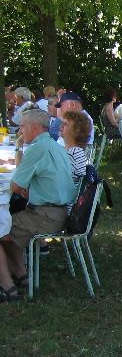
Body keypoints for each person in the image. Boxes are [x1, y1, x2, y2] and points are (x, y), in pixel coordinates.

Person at [0, 109, 75, 301]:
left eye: (22, 127)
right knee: (5, 227)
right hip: (59, 212)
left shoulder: (37, 149)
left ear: (34, 127)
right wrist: (25, 186)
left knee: (2, 229)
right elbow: (21, 183)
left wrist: (22, 187)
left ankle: (7, 287)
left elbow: (15, 185)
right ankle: (21, 276)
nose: (20, 131)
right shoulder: (54, 145)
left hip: (46, 216)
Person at [60, 111, 90, 186]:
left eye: (65, 124)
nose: (61, 126)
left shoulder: (76, 152)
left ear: (77, 131)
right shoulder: (68, 150)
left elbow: (62, 179)